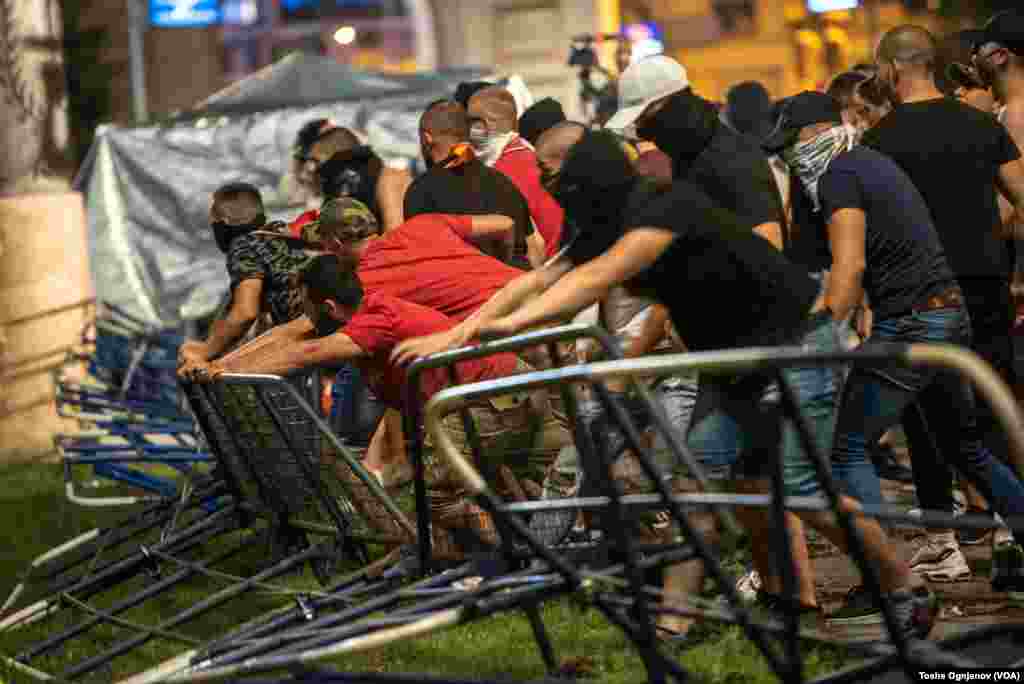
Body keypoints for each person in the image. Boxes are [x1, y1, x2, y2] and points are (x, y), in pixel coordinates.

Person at [394, 126, 937, 643]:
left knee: (800, 490)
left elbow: (592, 280)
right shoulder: (607, 222)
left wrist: (509, 327)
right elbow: (537, 279)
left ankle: (906, 589)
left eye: (551, 175)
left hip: (793, 347)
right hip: (736, 361)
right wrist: (458, 332)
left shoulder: (663, 208)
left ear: (586, 177)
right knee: (699, 487)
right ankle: (696, 622)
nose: (547, 187)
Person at [771, 91, 1024, 622]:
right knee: (964, 446)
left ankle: (886, 581)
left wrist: (817, 340)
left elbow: (850, 267)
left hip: (912, 321)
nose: (790, 158)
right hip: (946, 311)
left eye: (791, 144)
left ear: (815, 134)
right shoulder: (871, 162)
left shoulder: (839, 176)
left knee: (846, 446)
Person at [204, 254, 544, 558]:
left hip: (491, 395)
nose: (305, 319)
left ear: (330, 307)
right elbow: (288, 339)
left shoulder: (375, 321)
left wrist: (219, 370)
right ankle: (449, 550)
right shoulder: (363, 313)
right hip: (493, 393)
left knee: (440, 498)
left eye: (307, 308)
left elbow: (305, 353)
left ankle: (515, 558)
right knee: (482, 485)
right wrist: (222, 363)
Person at [864, 24, 1024, 589]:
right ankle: (1010, 538)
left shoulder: (878, 142)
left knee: (927, 417)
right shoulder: (981, 125)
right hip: (986, 285)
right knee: (994, 404)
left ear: (890, 69)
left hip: (920, 294)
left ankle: (943, 540)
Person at [605, 55, 785, 251]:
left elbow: (768, 246)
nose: (641, 130)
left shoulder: (731, 157)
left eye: (644, 118)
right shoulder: (685, 154)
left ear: (670, 105)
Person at [178, 183, 312, 377]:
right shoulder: (281, 235)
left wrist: (205, 352)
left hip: (311, 336)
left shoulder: (244, 245)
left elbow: (245, 312)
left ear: (223, 223)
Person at [405, 99, 543, 269]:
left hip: (464, 283)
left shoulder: (420, 191)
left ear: (427, 138)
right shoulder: (504, 183)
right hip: (518, 278)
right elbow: (535, 249)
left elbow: (419, 261)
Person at [467, 86, 565, 259]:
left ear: (489, 122)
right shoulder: (526, 154)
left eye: (471, 121)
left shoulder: (508, 169)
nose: (467, 128)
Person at [302, 126, 412, 233]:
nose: (312, 170)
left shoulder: (391, 179)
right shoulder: (383, 176)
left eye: (316, 161)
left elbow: (396, 237)